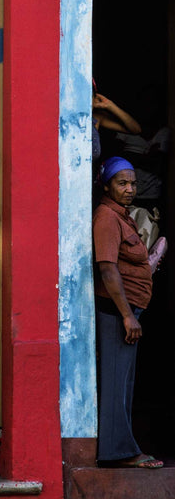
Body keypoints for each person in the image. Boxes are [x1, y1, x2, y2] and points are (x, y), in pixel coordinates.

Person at [92, 157, 163, 469]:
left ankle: (121, 448)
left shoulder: (124, 216)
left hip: (128, 310)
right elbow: (108, 269)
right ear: (107, 185)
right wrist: (126, 316)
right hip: (116, 313)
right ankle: (119, 453)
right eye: (122, 183)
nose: (130, 189)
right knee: (115, 383)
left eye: (133, 183)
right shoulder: (107, 217)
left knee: (124, 382)